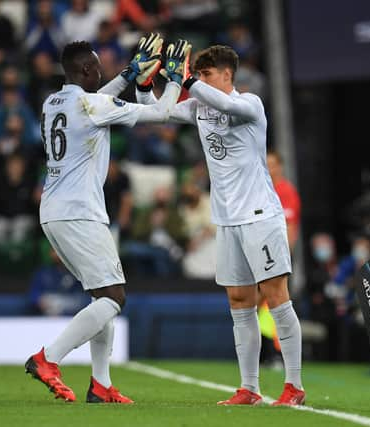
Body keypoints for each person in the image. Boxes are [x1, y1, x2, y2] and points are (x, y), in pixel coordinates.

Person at [134, 38, 305, 406]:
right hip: (226, 221)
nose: (199, 78)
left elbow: (224, 103)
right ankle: (250, 388)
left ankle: (293, 386)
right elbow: (158, 112)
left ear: (227, 74)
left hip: (260, 214)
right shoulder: (199, 106)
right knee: (239, 301)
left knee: (276, 297)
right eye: (197, 73)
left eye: (206, 73)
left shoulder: (249, 104)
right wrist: (145, 84)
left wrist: (185, 80)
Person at [24, 37, 188, 404]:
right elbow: (161, 114)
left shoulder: (52, 102)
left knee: (102, 293)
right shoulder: (93, 104)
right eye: (97, 67)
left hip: (54, 210)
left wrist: (129, 74)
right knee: (114, 297)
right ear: (86, 70)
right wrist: (173, 79)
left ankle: (101, 384)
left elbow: (96, 101)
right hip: (80, 210)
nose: (101, 72)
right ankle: (47, 358)